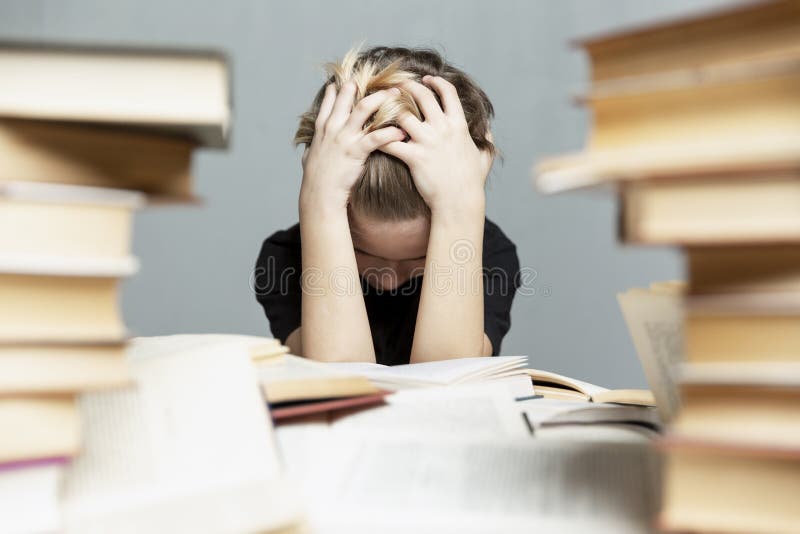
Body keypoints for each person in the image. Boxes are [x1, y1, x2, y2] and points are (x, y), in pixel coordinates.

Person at [254, 45, 520, 366]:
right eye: (363, 253)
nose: (389, 279)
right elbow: (340, 378)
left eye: (418, 258)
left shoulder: (490, 253)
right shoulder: (285, 258)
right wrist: (320, 203)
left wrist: (459, 210)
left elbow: (449, 377)